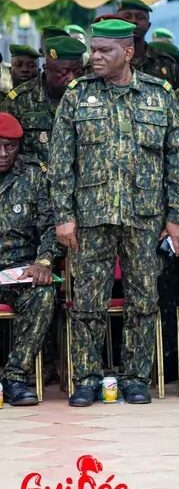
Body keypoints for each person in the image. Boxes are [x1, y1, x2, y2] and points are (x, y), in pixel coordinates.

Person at [51, 18, 179, 407]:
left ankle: (135, 378)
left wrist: (177, 217)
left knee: (143, 301)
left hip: (144, 216)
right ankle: (87, 378)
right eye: (93, 49)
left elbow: (178, 160)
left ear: (127, 52)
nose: (94, 56)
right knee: (88, 303)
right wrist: (64, 215)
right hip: (91, 216)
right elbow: (62, 163)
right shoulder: (78, 95)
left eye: (104, 50)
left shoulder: (158, 95)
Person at [0, 113, 62, 406]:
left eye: (10, 147)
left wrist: (45, 260)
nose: (3, 154)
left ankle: (15, 377)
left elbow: (51, 226)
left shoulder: (34, 174)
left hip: (19, 270)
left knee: (44, 293)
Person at [4, 36, 85, 164]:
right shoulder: (19, 100)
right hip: (32, 180)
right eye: (64, 72)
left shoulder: (89, 97)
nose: (72, 78)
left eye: (78, 72)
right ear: (46, 69)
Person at [115, 0, 179, 88]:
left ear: (148, 26)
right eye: (127, 17)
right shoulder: (105, 61)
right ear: (116, 23)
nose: (133, 21)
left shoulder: (166, 63)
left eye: (140, 17)